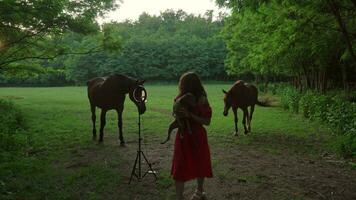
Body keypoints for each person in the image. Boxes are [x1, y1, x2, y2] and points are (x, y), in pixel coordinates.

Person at [171, 72, 213, 200]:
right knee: (179, 165)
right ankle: (179, 197)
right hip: (183, 135)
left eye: (182, 83)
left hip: (197, 135)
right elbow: (175, 113)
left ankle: (199, 192)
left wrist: (190, 115)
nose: (180, 85)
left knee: (200, 163)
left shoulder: (202, 99)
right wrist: (177, 114)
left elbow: (207, 121)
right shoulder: (180, 97)